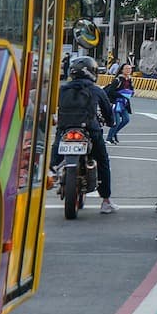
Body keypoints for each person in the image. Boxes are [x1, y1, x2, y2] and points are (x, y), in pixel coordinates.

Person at [53, 55, 117, 215]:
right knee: (102, 161)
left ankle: (51, 171)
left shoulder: (62, 89)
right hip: (89, 129)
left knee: (54, 156)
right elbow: (108, 111)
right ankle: (106, 200)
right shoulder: (96, 90)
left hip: (65, 129)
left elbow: (54, 107)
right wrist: (111, 122)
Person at [102, 63, 135, 143]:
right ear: (122, 70)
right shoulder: (117, 80)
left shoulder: (130, 79)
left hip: (124, 103)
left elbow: (132, 91)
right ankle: (109, 138)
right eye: (126, 69)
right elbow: (110, 92)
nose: (128, 70)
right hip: (115, 103)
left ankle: (114, 133)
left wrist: (130, 93)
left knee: (126, 120)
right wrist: (121, 94)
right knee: (116, 122)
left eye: (130, 69)